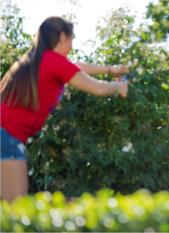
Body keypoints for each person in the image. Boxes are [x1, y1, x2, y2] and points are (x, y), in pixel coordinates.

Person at [0, 16, 129, 202]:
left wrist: (111, 69)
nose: (72, 45)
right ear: (62, 36)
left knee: (9, 207)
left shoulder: (35, 59)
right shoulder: (53, 62)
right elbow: (98, 88)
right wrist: (118, 87)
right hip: (6, 138)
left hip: (5, 135)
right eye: (72, 38)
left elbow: (77, 67)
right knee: (16, 208)